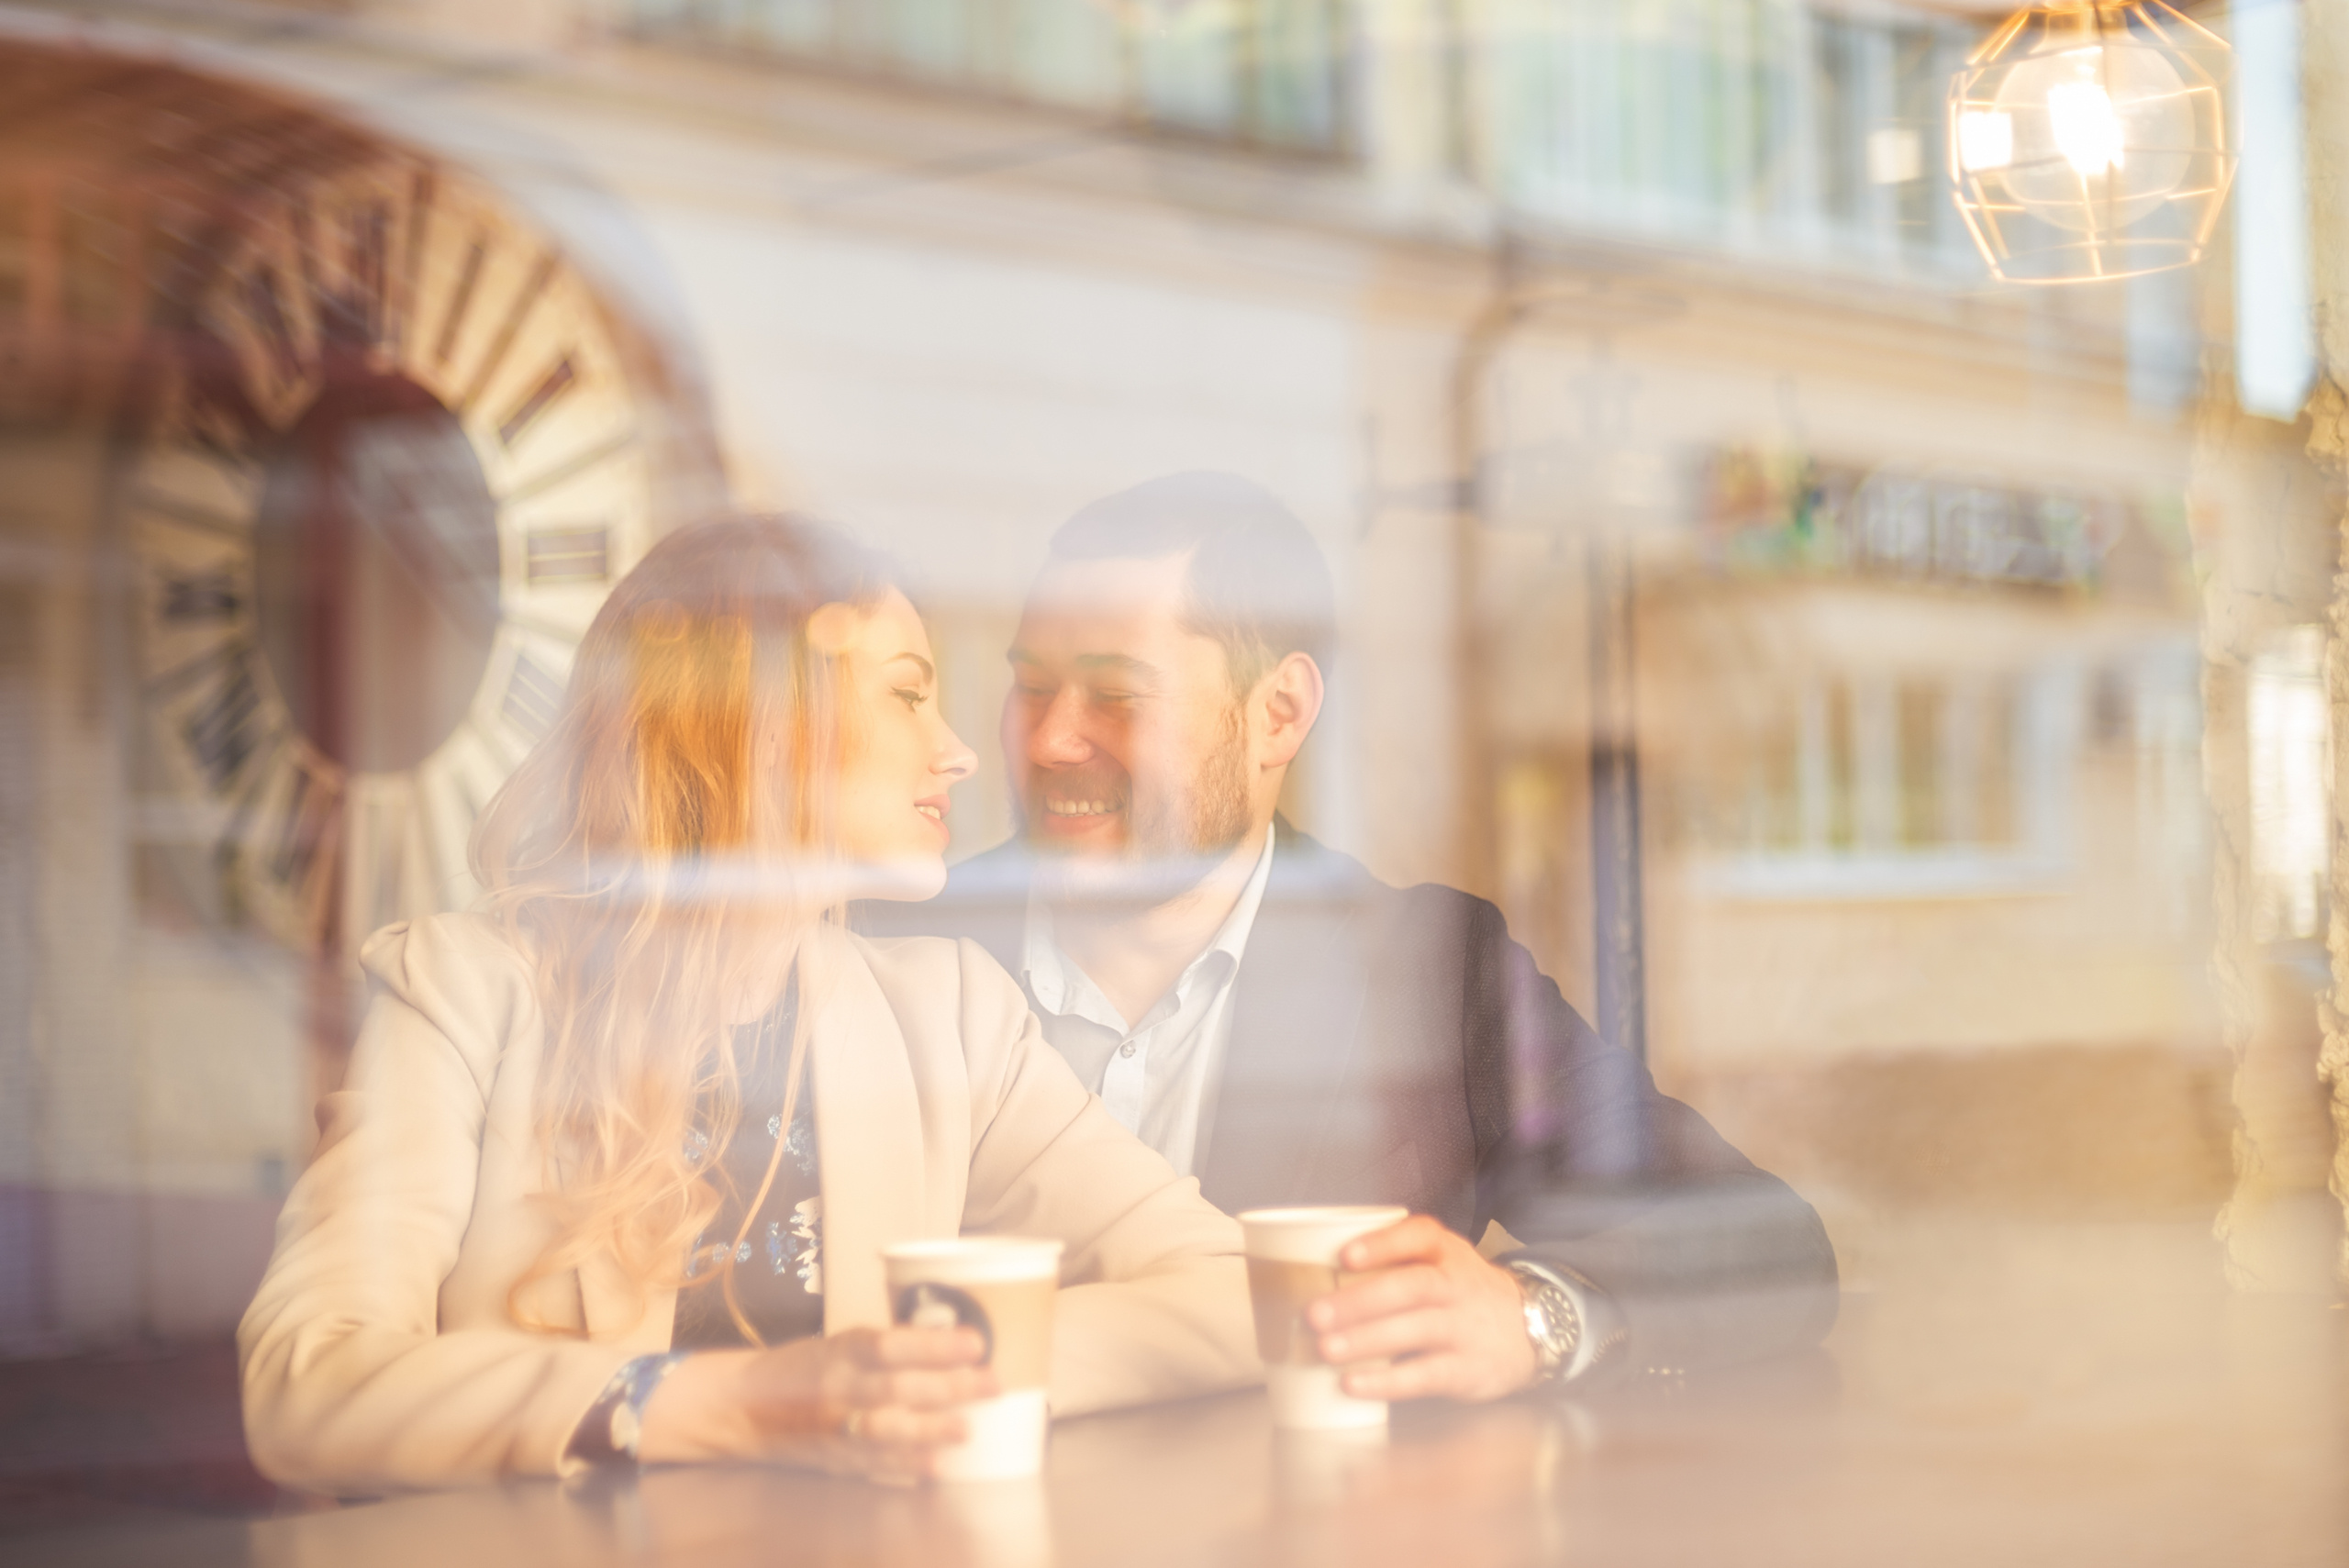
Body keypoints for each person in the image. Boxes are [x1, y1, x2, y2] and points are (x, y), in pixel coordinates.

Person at [239, 516, 1257, 1496]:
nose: (960, 752)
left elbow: (1229, 1288)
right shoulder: (460, 993)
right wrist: (738, 1399)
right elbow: (310, 1381)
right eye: (907, 695)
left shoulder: (951, 1016)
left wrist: (938, 1372)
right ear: (761, 725)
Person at [862, 473, 1839, 1401]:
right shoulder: (890, 949)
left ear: (1278, 713)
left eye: (1115, 696)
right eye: (1030, 685)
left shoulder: (1427, 965)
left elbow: (1758, 1240)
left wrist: (1537, 1315)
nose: (1046, 741)